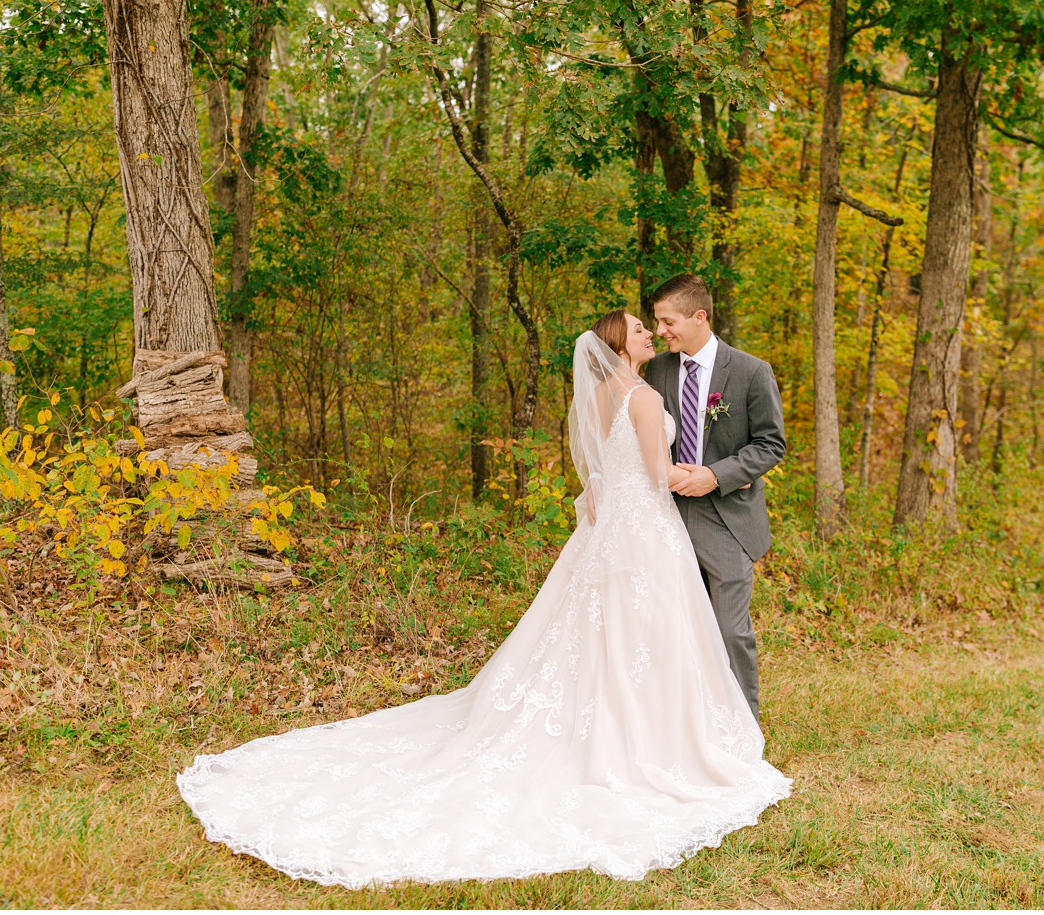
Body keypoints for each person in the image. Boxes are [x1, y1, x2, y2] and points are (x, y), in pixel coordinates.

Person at [176, 312, 789, 886]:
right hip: (649, 530)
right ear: (620, 344)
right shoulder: (649, 396)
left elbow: (600, 471)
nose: (651, 333)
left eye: (656, 323)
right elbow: (658, 476)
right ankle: (663, 739)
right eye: (639, 328)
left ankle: (637, 729)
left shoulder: (602, 395)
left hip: (610, 536)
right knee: (649, 636)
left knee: (602, 635)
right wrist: (697, 473)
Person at [645, 274, 786, 722]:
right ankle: (688, 720)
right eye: (656, 322)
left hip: (726, 516)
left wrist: (716, 474)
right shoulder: (658, 369)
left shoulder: (749, 371)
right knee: (677, 624)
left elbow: (770, 444)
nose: (659, 331)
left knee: (728, 628)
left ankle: (743, 726)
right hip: (665, 514)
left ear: (699, 317)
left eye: (667, 321)